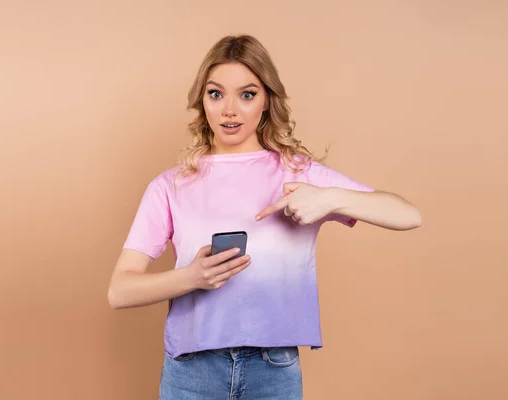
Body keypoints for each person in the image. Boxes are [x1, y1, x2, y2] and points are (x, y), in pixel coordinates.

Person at [108, 34, 422, 400]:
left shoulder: (298, 173)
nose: (229, 110)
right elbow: (120, 290)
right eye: (215, 94)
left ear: (266, 102)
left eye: (247, 94)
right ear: (202, 101)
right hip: (191, 373)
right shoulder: (170, 186)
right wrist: (192, 278)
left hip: (272, 372)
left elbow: (408, 215)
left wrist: (330, 198)